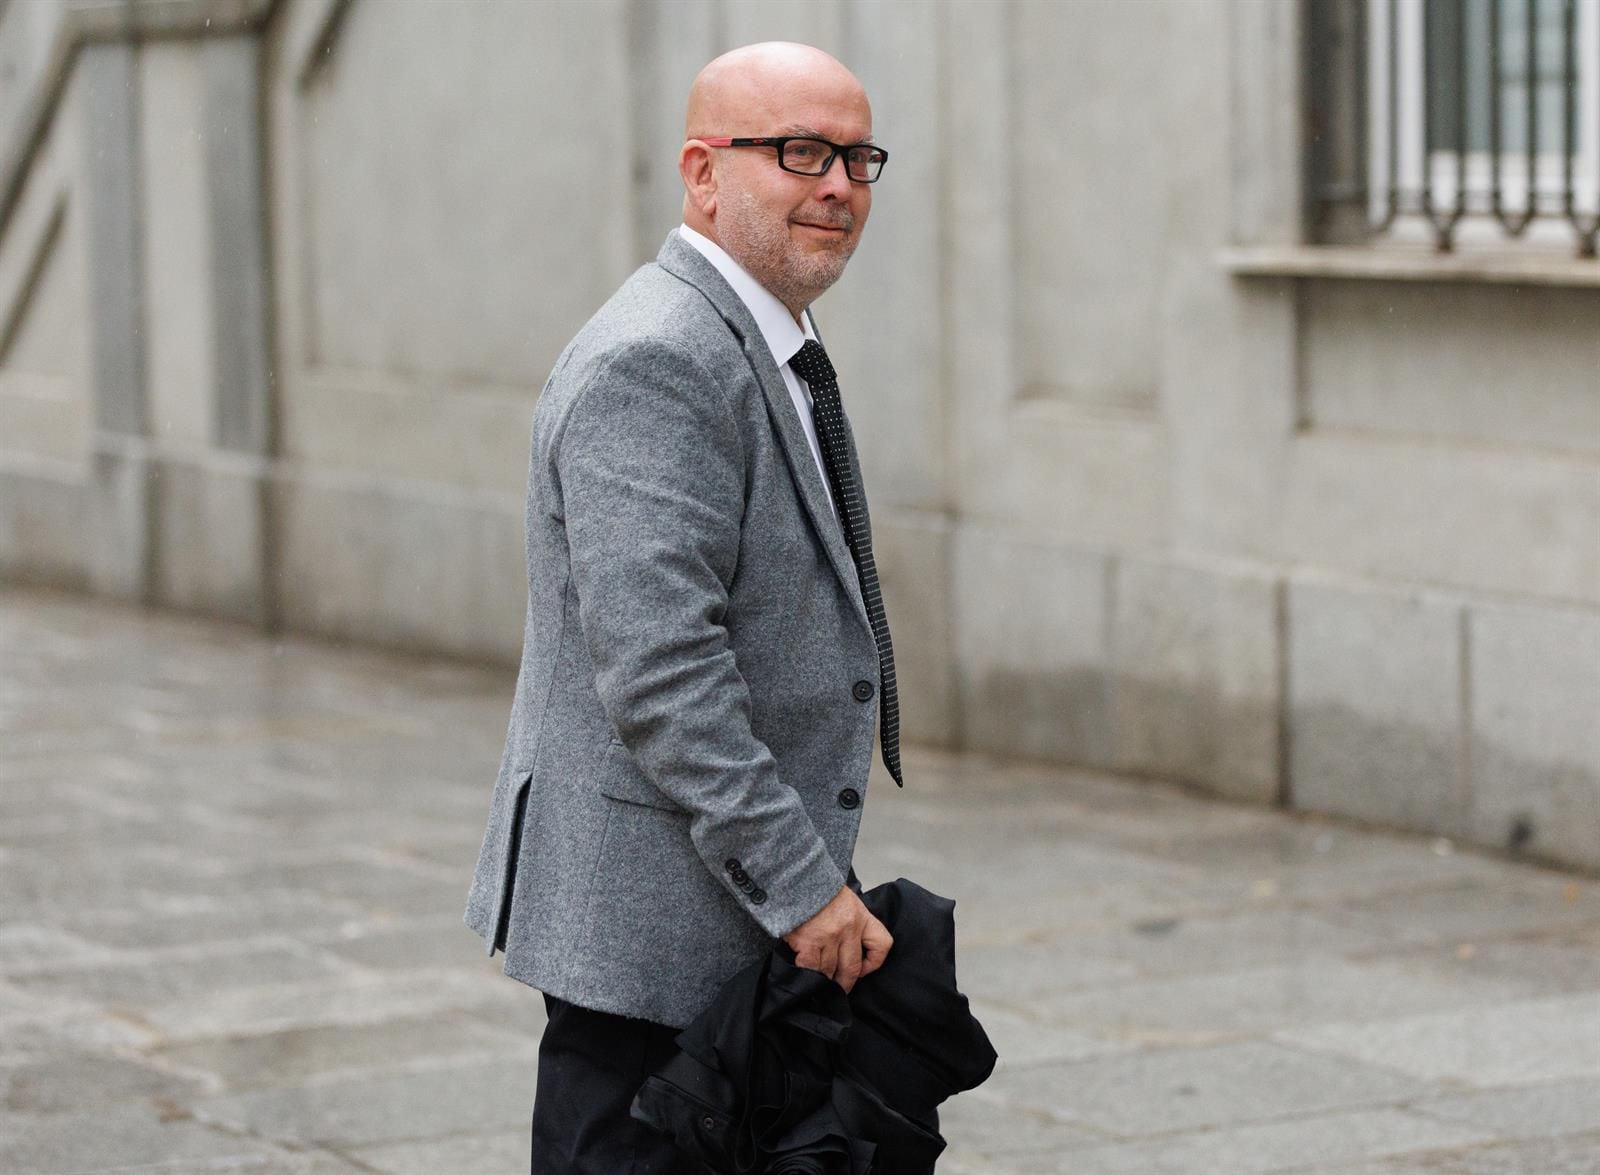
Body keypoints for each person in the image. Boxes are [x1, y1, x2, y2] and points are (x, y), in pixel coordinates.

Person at [464, 41, 902, 1172]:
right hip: (652, 926)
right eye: (800, 151)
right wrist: (805, 886)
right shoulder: (656, 359)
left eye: (857, 157)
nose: (838, 186)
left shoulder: (758, 336)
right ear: (703, 173)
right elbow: (663, 670)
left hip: (724, 904)